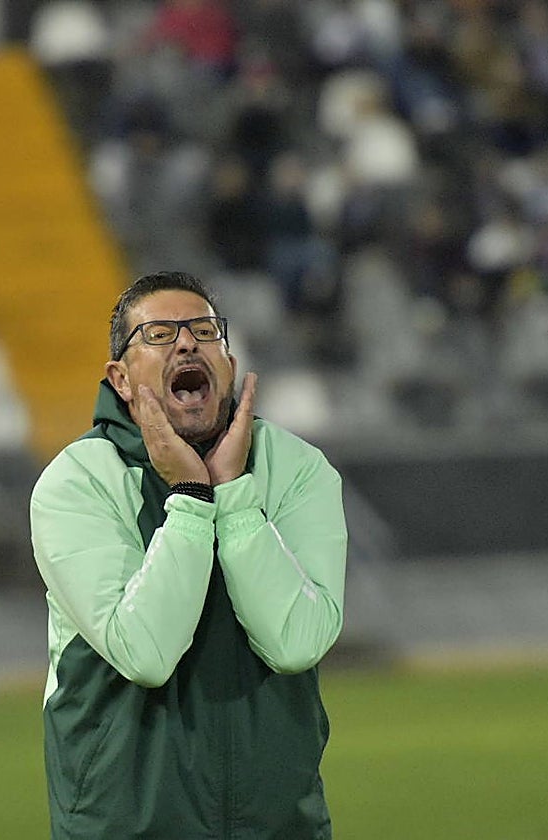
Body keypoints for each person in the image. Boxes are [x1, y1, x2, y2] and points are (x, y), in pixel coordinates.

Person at [29, 270, 347, 838]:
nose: (185, 343)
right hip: (127, 823)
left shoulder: (297, 469)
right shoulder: (78, 481)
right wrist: (195, 500)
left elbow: (297, 643)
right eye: (158, 334)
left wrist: (237, 498)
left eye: (204, 330)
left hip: (277, 823)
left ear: (226, 364)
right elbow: (145, 652)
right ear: (120, 379)